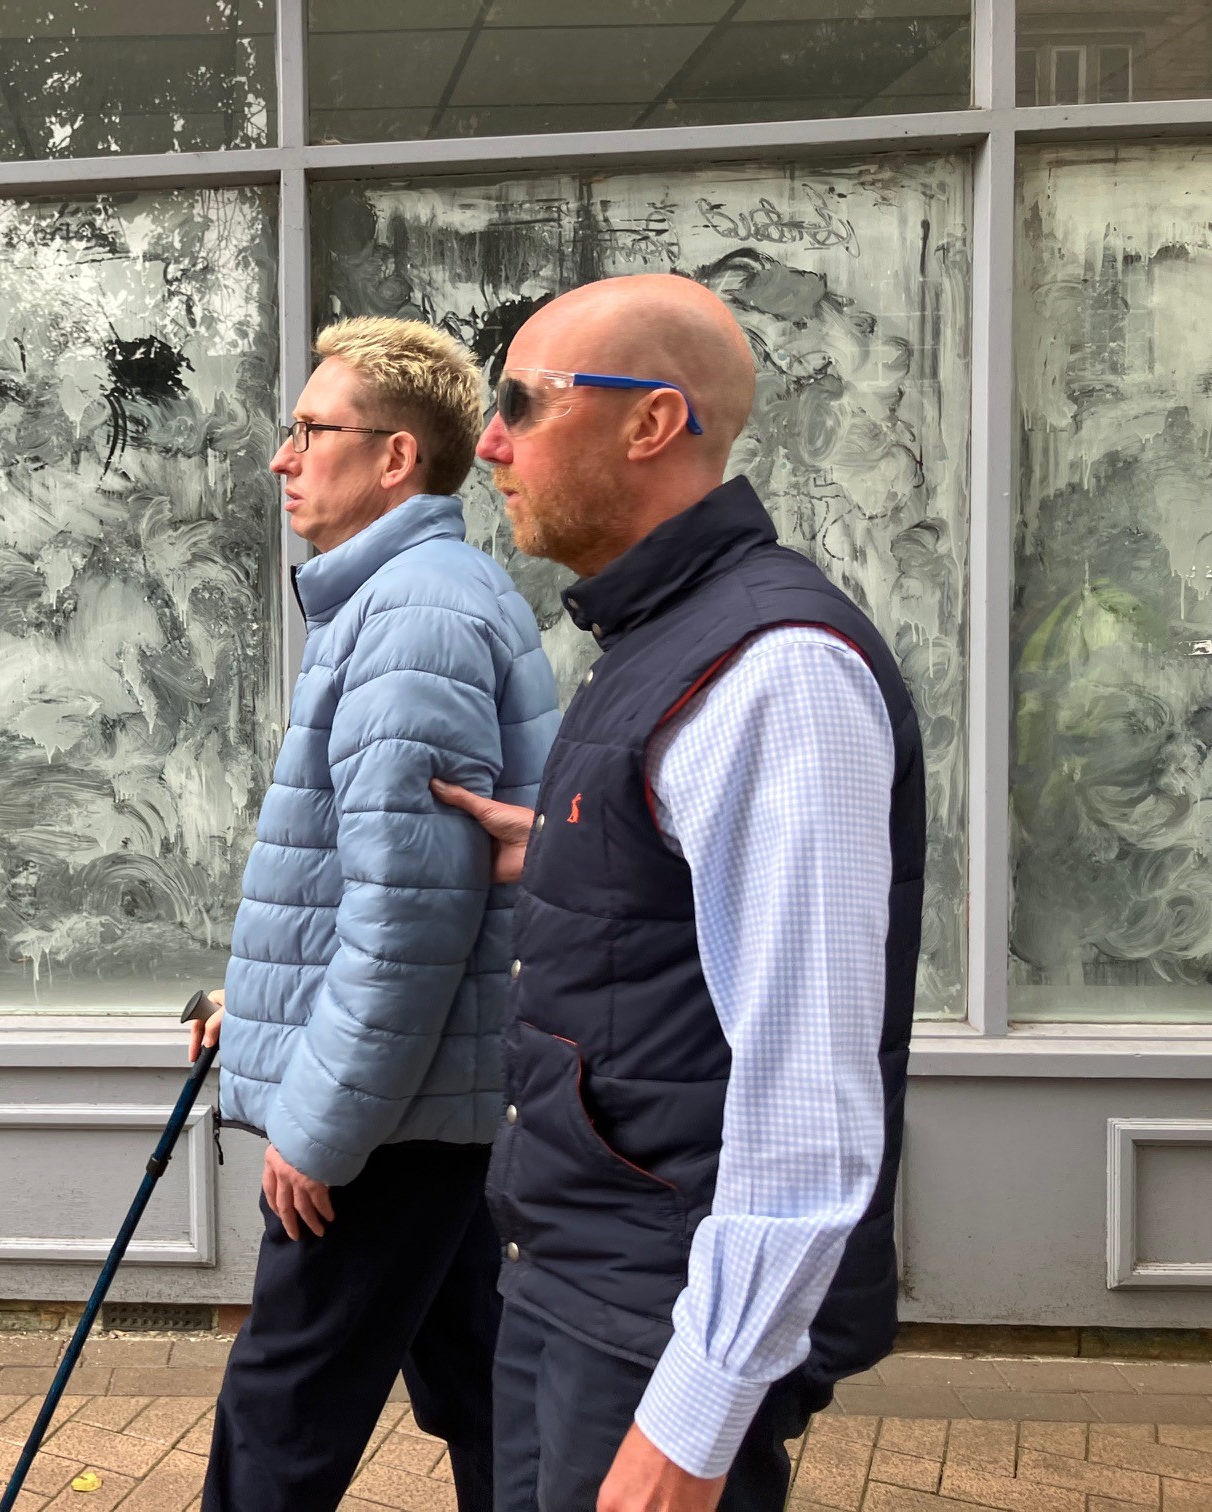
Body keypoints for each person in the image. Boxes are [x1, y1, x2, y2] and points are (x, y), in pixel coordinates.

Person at [432, 274, 924, 1512]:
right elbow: (686, 896)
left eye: (520, 404)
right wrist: (562, 846)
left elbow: (809, 1092)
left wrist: (695, 1423)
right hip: (571, 1268)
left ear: (651, 423)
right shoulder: (656, 639)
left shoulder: (774, 671)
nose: (488, 441)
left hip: (659, 1316)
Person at [187, 316, 559, 1512]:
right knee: (484, 1386)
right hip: (429, 1098)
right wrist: (257, 1004)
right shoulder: (409, 597)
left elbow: (413, 917)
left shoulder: (414, 617)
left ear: (396, 458)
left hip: (387, 1118)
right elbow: (373, 884)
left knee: (281, 1416)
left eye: (310, 431)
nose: (284, 458)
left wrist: (321, 1127)